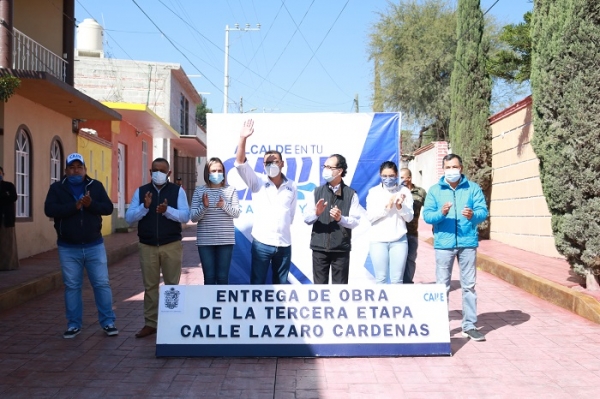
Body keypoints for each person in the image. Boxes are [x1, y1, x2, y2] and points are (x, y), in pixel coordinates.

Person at [44, 153, 118, 338]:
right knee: (72, 286)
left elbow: (108, 208)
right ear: (66, 170)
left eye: (79, 167)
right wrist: (74, 207)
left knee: (101, 284)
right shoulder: (57, 188)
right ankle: (73, 324)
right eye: (72, 167)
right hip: (68, 247)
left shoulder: (95, 186)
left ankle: (108, 322)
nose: (75, 170)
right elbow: (49, 210)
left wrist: (91, 204)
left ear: (85, 169)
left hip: (94, 245)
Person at [423, 154, 488, 342]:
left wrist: (473, 215)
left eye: (455, 167)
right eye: (448, 167)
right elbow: (427, 216)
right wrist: (441, 213)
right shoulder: (435, 191)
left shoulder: (472, 188)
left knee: (469, 286)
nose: (452, 170)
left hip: (467, 243)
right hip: (444, 244)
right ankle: (441, 326)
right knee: (442, 286)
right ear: (443, 169)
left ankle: (469, 325)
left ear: (461, 168)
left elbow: (483, 212)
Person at [125, 157, 190, 338]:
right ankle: (151, 323)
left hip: (171, 245)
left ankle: (172, 322)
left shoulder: (178, 192)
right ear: (150, 172)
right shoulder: (141, 192)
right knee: (150, 286)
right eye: (155, 170)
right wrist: (144, 207)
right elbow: (129, 218)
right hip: (147, 245)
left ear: (169, 173)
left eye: (162, 170)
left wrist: (167, 211)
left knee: (172, 286)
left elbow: (185, 216)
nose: (158, 173)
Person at [235, 119, 297, 284]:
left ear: (282, 163)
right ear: (263, 165)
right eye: (267, 162)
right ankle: (256, 311)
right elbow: (240, 164)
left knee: (281, 285)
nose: (271, 164)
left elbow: (290, 215)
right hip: (262, 243)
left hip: (284, 244)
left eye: (274, 161)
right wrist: (243, 138)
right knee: (257, 283)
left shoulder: (292, 186)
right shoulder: (257, 182)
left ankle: (278, 311)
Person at [304, 154, 361, 284]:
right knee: (319, 290)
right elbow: (307, 219)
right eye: (325, 166)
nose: (325, 170)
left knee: (339, 291)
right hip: (319, 248)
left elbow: (355, 221)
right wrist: (316, 213)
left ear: (339, 171)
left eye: (329, 167)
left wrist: (341, 218)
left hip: (340, 249)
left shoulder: (351, 194)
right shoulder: (316, 192)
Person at [190, 157, 240, 284]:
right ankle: (209, 303)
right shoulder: (199, 190)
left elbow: (236, 213)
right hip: (205, 241)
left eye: (219, 170)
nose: (216, 173)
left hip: (225, 241)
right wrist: (204, 206)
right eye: (213, 171)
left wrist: (224, 205)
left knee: (223, 277)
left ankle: (222, 304)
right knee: (209, 277)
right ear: (207, 173)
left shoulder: (231, 190)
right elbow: (193, 217)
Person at [366, 161, 413, 284]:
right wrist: (387, 207)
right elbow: (370, 217)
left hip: (399, 240)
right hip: (378, 241)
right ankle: (381, 304)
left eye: (391, 176)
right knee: (381, 278)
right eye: (384, 176)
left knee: (397, 280)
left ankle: (397, 302)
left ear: (397, 175)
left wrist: (399, 206)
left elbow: (409, 218)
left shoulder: (404, 191)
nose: (388, 179)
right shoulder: (374, 192)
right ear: (380, 175)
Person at [400, 168, 427, 284]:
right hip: (398, 233)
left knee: (410, 260)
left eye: (402, 177)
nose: (399, 180)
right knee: (398, 261)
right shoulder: (396, 191)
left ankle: (408, 282)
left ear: (409, 178)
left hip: (412, 233)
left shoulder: (420, 192)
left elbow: (430, 207)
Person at [0, 166, 19, 271]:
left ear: (3, 174)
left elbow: (13, 197)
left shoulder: (9, 185)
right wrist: (4, 196)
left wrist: (4, 196)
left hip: (7, 218)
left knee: (8, 242)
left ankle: (9, 265)